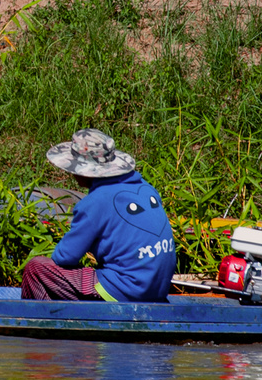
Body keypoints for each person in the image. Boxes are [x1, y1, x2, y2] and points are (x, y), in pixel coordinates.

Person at [20, 128, 175, 303]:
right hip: (158, 289)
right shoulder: (146, 188)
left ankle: (42, 323)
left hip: (125, 290)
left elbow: (64, 257)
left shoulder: (95, 202)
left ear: (85, 171)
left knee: (36, 268)